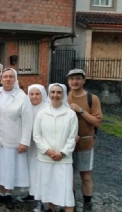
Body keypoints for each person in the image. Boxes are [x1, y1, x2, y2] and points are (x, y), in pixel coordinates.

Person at [0, 68, 33, 209]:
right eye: (5, 76)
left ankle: (8, 194)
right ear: (1, 79)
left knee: (10, 168)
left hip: (13, 139)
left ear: (15, 79)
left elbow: (27, 121)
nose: (7, 79)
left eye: (10, 77)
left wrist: (25, 141)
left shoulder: (22, 97)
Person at [33, 83, 78, 212]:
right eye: (52, 92)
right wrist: (47, 150)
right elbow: (37, 135)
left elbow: (72, 137)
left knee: (66, 192)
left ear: (63, 94)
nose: (55, 95)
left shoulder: (70, 115)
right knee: (48, 188)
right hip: (45, 158)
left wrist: (62, 153)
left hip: (63, 160)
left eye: (58, 92)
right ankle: (51, 209)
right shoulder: (41, 114)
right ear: (49, 94)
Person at [67, 69, 102, 212]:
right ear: (68, 81)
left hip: (85, 143)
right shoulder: (64, 96)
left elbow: (97, 122)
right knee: (69, 175)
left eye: (78, 78)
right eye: (72, 79)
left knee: (85, 175)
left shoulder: (92, 98)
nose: (74, 82)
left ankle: (87, 203)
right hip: (67, 144)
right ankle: (71, 203)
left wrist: (81, 110)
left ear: (83, 80)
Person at [16, 84, 50, 212]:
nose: (34, 97)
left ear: (43, 95)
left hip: (41, 147)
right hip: (29, 145)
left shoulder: (47, 108)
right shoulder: (26, 106)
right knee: (29, 170)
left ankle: (41, 201)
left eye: (37, 94)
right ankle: (31, 194)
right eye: (31, 94)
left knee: (39, 173)